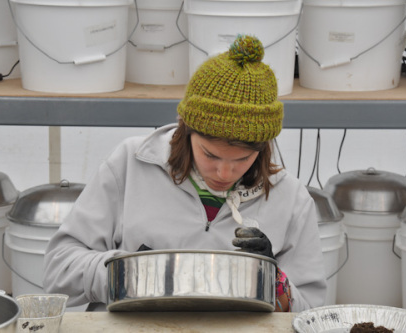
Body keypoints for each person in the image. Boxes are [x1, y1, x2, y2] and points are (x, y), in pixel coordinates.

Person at [43, 35, 326, 312]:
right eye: (210, 154)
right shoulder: (131, 164)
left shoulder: (291, 200)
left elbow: (311, 311)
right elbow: (58, 269)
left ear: (264, 147)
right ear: (184, 128)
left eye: (242, 159)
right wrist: (127, 272)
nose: (224, 171)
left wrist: (274, 281)